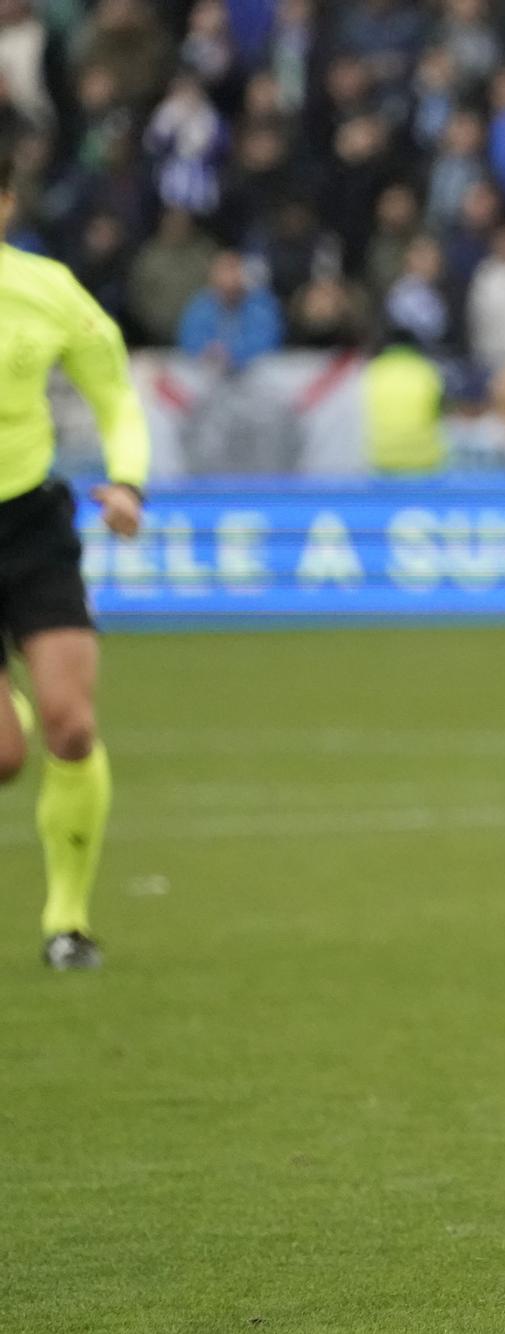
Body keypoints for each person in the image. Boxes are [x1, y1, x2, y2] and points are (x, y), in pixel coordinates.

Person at [0, 142, 149, 969]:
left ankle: (68, 920)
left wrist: (128, 483)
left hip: (29, 524)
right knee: (4, 756)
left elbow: (115, 391)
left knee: (72, 724)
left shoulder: (46, 290)